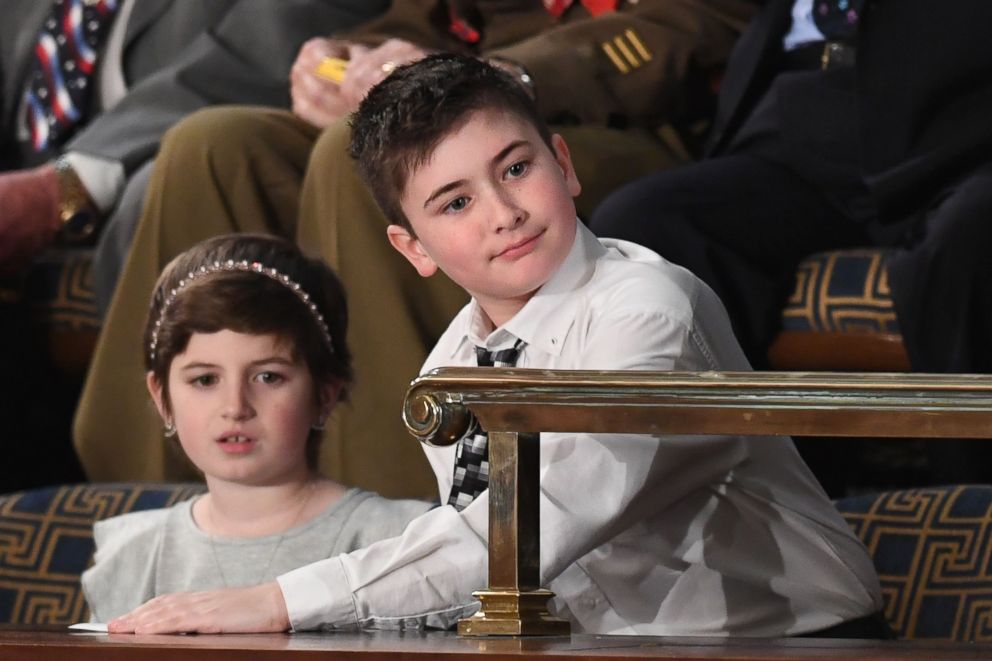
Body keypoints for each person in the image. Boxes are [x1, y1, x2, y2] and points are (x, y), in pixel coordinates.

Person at [106, 55, 885, 638]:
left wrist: (278, 599)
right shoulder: (451, 363)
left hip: (794, 639)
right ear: (413, 246)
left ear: (565, 164)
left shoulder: (648, 308)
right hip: (607, 642)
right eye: (456, 202)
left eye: (516, 168)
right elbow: (493, 565)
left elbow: (529, 529)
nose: (505, 212)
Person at [73, 0, 760, 498]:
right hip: (459, 95)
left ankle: (386, 526)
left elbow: (718, 23)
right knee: (212, 146)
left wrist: (499, 75)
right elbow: (431, 16)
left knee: (362, 168)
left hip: (613, 120)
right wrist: (345, 56)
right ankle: (166, 518)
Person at [587, 0, 992, 483]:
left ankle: (972, 505)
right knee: (645, 222)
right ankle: (781, 503)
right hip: (799, 109)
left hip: (962, 118)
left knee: (968, 238)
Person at [80, 233, 432, 623]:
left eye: (268, 377)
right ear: (162, 398)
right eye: (204, 380)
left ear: (325, 393)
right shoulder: (134, 555)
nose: (235, 407)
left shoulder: (402, 541)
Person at [0, 0, 387, 304]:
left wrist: (64, 188)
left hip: (153, 161)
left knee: (178, 176)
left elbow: (259, 50)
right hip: (24, 174)